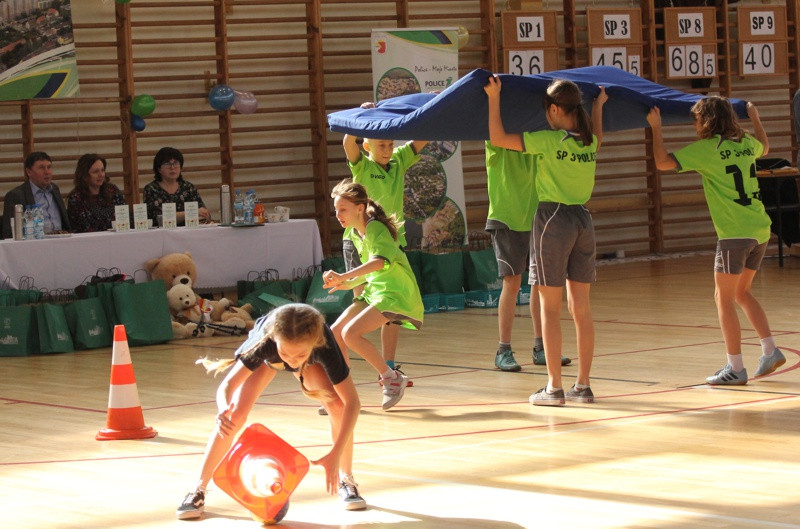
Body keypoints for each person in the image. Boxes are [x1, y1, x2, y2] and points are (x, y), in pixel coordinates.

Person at [175, 303, 366, 520]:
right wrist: (223, 408)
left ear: (314, 343)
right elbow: (227, 385)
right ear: (275, 340)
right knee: (234, 414)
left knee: (337, 407)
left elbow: (353, 403)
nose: (291, 361)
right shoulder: (265, 342)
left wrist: (335, 453)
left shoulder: (324, 344)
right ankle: (197, 489)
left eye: (298, 355)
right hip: (269, 359)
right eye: (286, 352)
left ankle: (346, 479)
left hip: (309, 360)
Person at [484, 74, 607, 406]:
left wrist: (494, 98)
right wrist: (600, 107)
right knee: (581, 309)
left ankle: (554, 388)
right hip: (584, 220)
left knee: (549, 308)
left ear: (554, 109)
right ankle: (582, 385)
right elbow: (598, 133)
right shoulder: (589, 142)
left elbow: (497, 137)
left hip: (553, 219)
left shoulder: (549, 141)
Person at [647, 98, 786, 384]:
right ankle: (770, 349)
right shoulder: (745, 142)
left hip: (734, 234)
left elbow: (662, 163)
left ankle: (735, 367)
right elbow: (766, 147)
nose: (695, 124)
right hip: (759, 229)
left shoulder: (708, 149)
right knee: (742, 292)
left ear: (707, 121)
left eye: (697, 119)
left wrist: (656, 129)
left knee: (722, 298)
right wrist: (756, 118)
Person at [323, 179, 424, 411]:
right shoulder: (355, 232)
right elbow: (369, 270)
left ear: (360, 208)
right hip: (376, 291)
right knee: (335, 333)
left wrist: (344, 275)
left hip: (396, 292)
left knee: (350, 333)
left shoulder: (376, 228)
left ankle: (390, 377)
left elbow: (379, 263)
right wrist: (347, 284)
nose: (338, 215)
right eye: (336, 210)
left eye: (343, 210)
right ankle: (343, 394)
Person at [342, 124, 428, 383]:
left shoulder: (399, 160)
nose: (388, 150)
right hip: (360, 246)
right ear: (367, 147)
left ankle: (388, 368)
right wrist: (362, 119)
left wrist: (435, 107)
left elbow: (423, 136)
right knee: (361, 308)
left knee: (389, 309)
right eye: (381, 145)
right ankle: (346, 376)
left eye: (390, 144)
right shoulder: (363, 167)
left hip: (388, 246)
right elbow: (348, 143)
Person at [484, 141, 572, 372]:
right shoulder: (497, 141)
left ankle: (541, 347)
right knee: (512, 282)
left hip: (537, 217)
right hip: (506, 218)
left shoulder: (534, 140)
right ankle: (503, 350)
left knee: (539, 282)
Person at [2, 151, 71, 238]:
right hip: (33, 244)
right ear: (29, 172)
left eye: (49, 167)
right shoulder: (16, 196)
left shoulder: (54, 189)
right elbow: (10, 233)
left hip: (61, 239)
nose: (47, 172)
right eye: (41, 168)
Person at [143, 147, 211, 225]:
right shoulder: (151, 189)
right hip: (162, 235)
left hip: (189, 233)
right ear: (159, 169)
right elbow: (157, 219)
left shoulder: (188, 188)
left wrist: (203, 214)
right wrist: (190, 213)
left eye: (175, 163)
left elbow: (204, 213)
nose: (172, 168)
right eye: (167, 164)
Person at [66, 154, 126, 233]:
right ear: (84, 175)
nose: (101, 175)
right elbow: (80, 228)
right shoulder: (76, 198)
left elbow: (124, 216)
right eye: (95, 172)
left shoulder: (112, 191)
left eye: (102, 170)